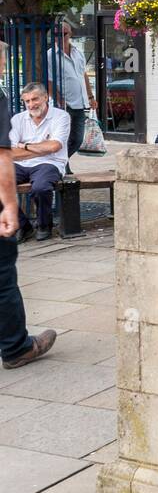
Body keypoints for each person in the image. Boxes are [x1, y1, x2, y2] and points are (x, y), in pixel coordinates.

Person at [0, 48, 57, 368]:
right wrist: (9, 204)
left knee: (42, 181)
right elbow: (3, 154)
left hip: (45, 166)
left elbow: (54, 147)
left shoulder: (58, 116)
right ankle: (16, 347)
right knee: (1, 276)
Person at [10, 83, 70, 243]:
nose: (31, 104)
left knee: (41, 188)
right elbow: (9, 152)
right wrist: (42, 147)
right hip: (21, 164)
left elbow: (55, 146)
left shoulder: (61, 116)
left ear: (45, 97)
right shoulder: (17, 119)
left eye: (35, 99)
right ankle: (23, 226)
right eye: (27, 101)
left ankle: (44, 225)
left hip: (50, 163)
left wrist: (26, 145)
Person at [51, 20, 98, 164]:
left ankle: (61, 163)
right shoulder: (51, 55)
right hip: (65, 104)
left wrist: (91, 97)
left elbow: (83, 75)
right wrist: (60, 100)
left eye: (63, 33)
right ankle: (61, 165)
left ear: (70, 34)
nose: (60, 36)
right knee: (64, 139)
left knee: (77, 139)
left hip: (80, 102)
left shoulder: (78, 53)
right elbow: (50, 81)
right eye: (56, 34)